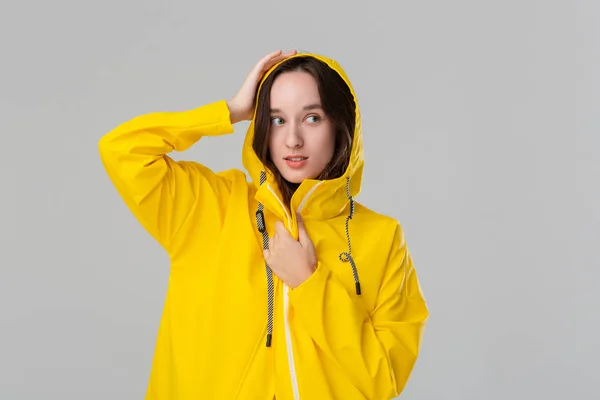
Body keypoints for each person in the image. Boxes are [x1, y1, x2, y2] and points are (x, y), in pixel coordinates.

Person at [98, 50, 428, 400]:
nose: (293, 140)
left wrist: (310, 283)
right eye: (277, 120)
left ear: (340, 124)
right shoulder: (211, 207)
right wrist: (231, 110)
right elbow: (122, 151)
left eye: (312, 118)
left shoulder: (383, 237)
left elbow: (384, 378)